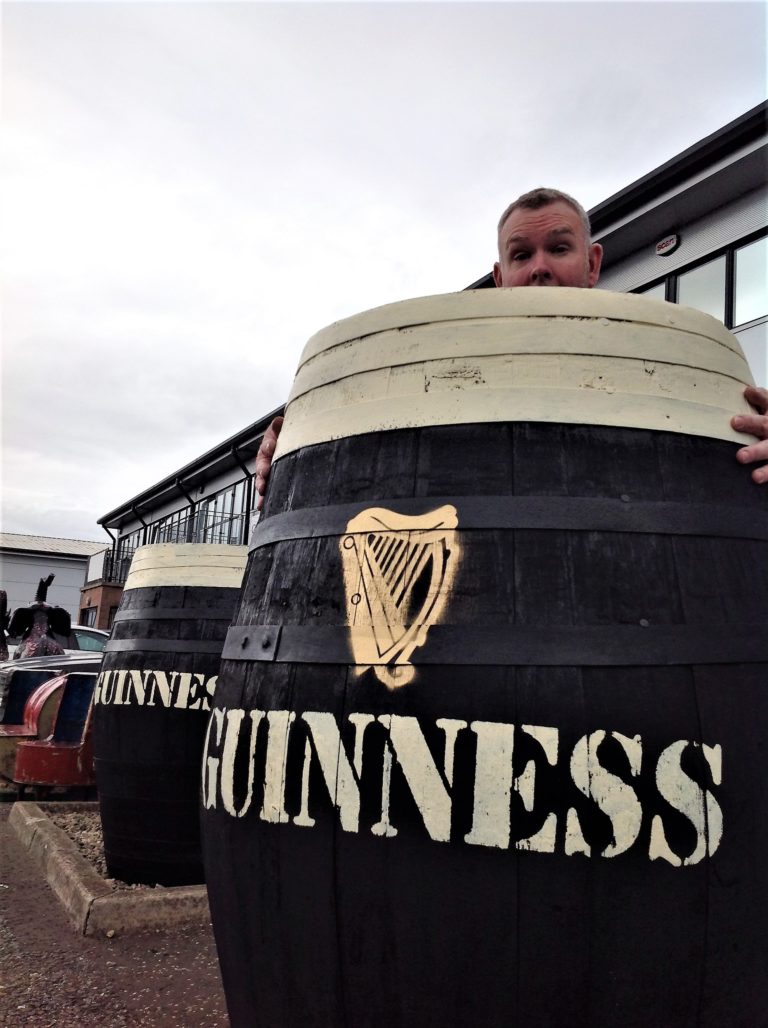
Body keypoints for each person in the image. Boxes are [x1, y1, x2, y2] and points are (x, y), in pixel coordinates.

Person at [255, 187, 768, 506]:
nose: (540, 267)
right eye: (522, 255)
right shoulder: (448, 370)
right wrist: (303, 444)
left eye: (559, 248)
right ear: (500, 277)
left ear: (592, 263)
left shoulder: (672, 366)